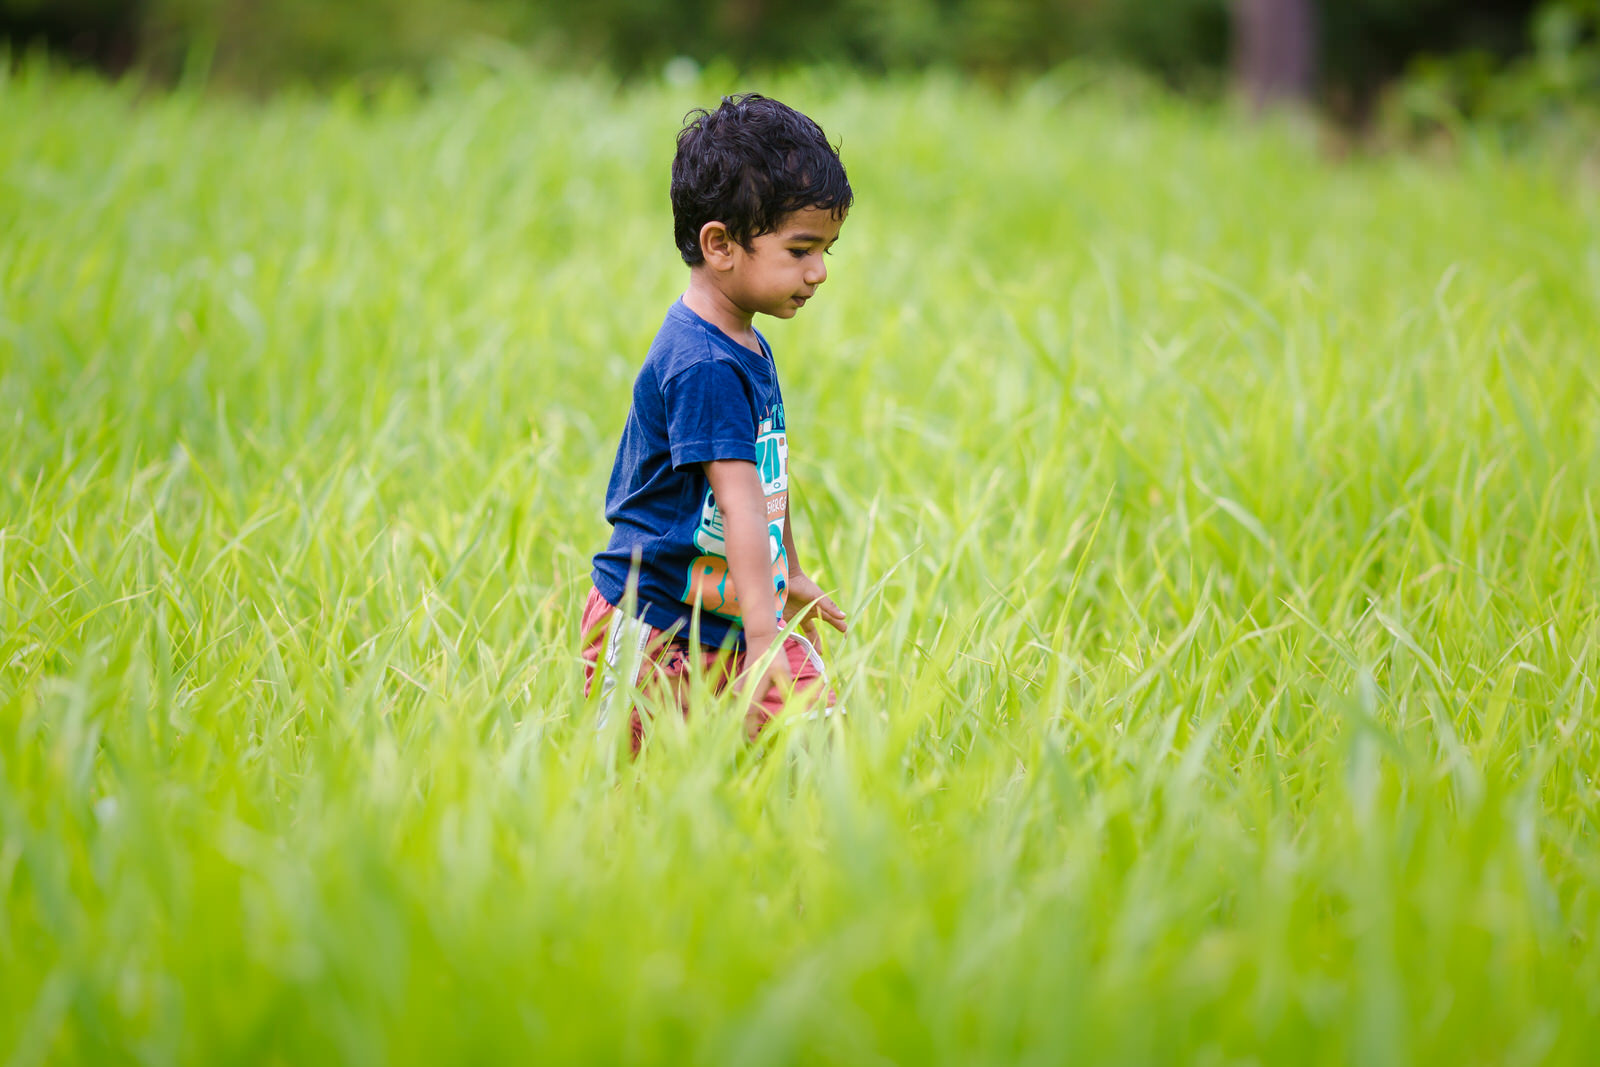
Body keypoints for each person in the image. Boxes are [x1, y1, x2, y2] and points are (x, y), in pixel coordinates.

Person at [581, 92, 852, 747]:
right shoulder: (701, 361)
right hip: (659, 620)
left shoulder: (747, 342)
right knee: (633, 783)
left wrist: (788, 577)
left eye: (827, 251)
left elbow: (768, 483)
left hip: (739, 606)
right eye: (801, 250)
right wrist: (764, 635)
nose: (818, 272)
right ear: (721, 244)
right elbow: (738, 505)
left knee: (819, 741)